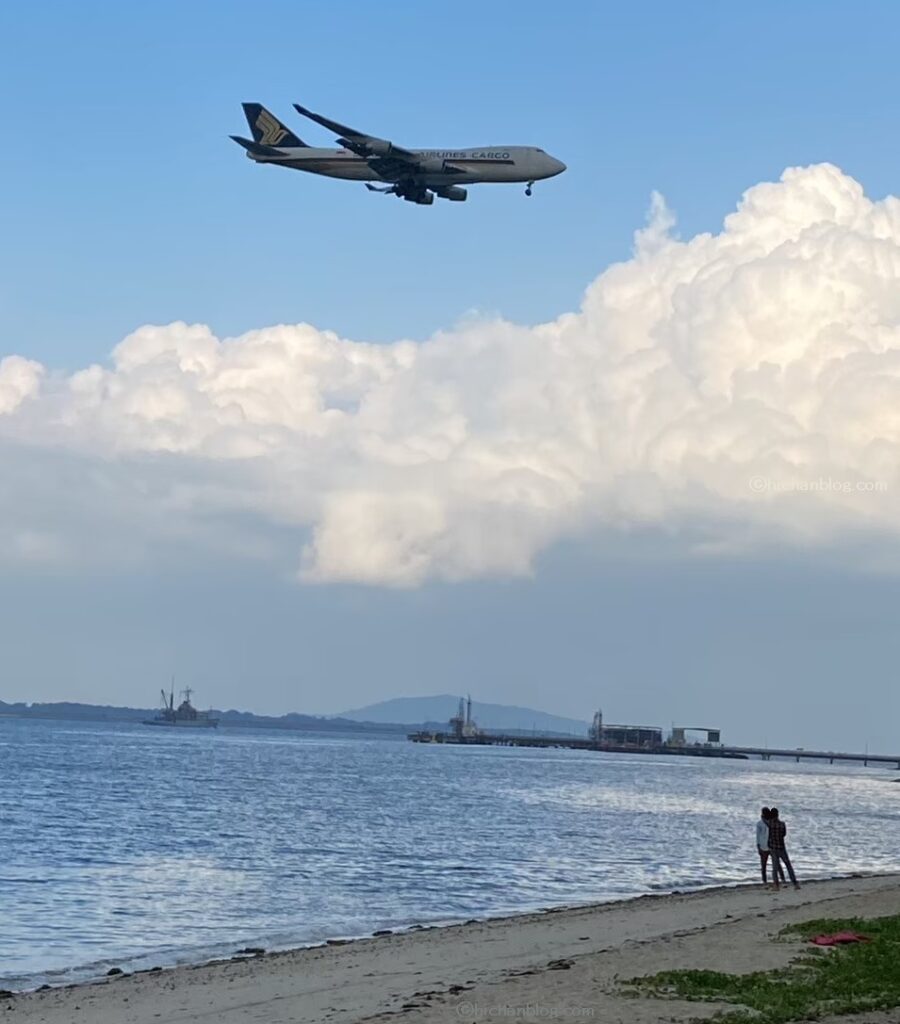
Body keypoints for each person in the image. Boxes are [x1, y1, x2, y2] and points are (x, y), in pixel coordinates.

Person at [768, 808, 800, 890]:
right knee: (788, 865)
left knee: (775, 868)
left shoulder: (770, 824)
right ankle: (795, 883)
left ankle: (776, 886)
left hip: (773, 847)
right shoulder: (782, 824)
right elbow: (784, 834)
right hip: (782, 847)